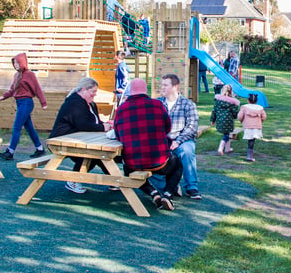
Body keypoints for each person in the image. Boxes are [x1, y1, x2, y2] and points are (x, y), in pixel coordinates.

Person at [114, 78, 184, 211]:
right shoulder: (157, 105)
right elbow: (167, 127)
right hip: (160, 160)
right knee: (177, 165)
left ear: (130, 91)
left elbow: (118, 135)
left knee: (128, 170)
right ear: (145, 90)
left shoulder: (121, 109)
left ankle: (153, 193)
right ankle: (168, 194)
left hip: (134, 162)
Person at [49, 77, 111, 194]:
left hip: (77, 139)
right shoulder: (74, 103)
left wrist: (106, 125)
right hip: (61, 140)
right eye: (93, 91)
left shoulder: (90, 104)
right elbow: (83, 124)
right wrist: (103, 127)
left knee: (98, 154)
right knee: (91, 154)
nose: (94, 95)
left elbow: (95, 122)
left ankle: (114, 179)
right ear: (84, 89)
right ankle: (73, 180)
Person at [0, 53, 47, 160]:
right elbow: (12, 90)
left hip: (26, 103)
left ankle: (10, 152)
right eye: (14, 63)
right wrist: (3, 97)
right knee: (29, 127)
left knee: (16, 126)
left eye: (17, 62)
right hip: (19, 103)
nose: (15, 65)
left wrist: (43, 103)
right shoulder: (16, 75)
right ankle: (40, 149)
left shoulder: (30, 75)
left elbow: (37, 89)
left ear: (22, 62)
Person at [158, 73, 201, 199]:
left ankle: (191, 187)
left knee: (187, 151)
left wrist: (178, 141)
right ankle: (168, 186)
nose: (162, 88)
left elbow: (192, 127)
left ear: (175, 87)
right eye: (162, 85)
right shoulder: (157, 103)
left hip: (181, 139)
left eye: (166, 85)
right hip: (162, 140)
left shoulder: (188, 104)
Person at [210, 84, 240, 155]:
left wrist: (213, 120)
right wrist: (235, 117)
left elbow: (214, 111)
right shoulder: (233, 103)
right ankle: (221, 148)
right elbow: (235, 112)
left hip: (220, 120)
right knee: (226, 134)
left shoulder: (218, 101)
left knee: (226, 133)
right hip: (228, 121)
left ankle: (227, 148)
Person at [237, 93, 266, 162]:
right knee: (252, 139)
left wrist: (242, 121)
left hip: (247, 126)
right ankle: (250, 153)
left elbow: (240, 116)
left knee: (250, 138)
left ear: (248, 100)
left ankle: (249, 154)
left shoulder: (244, 107)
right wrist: (260, 121)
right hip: (256, 126)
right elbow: (264, 117)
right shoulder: (260, 108)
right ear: (256, 101)